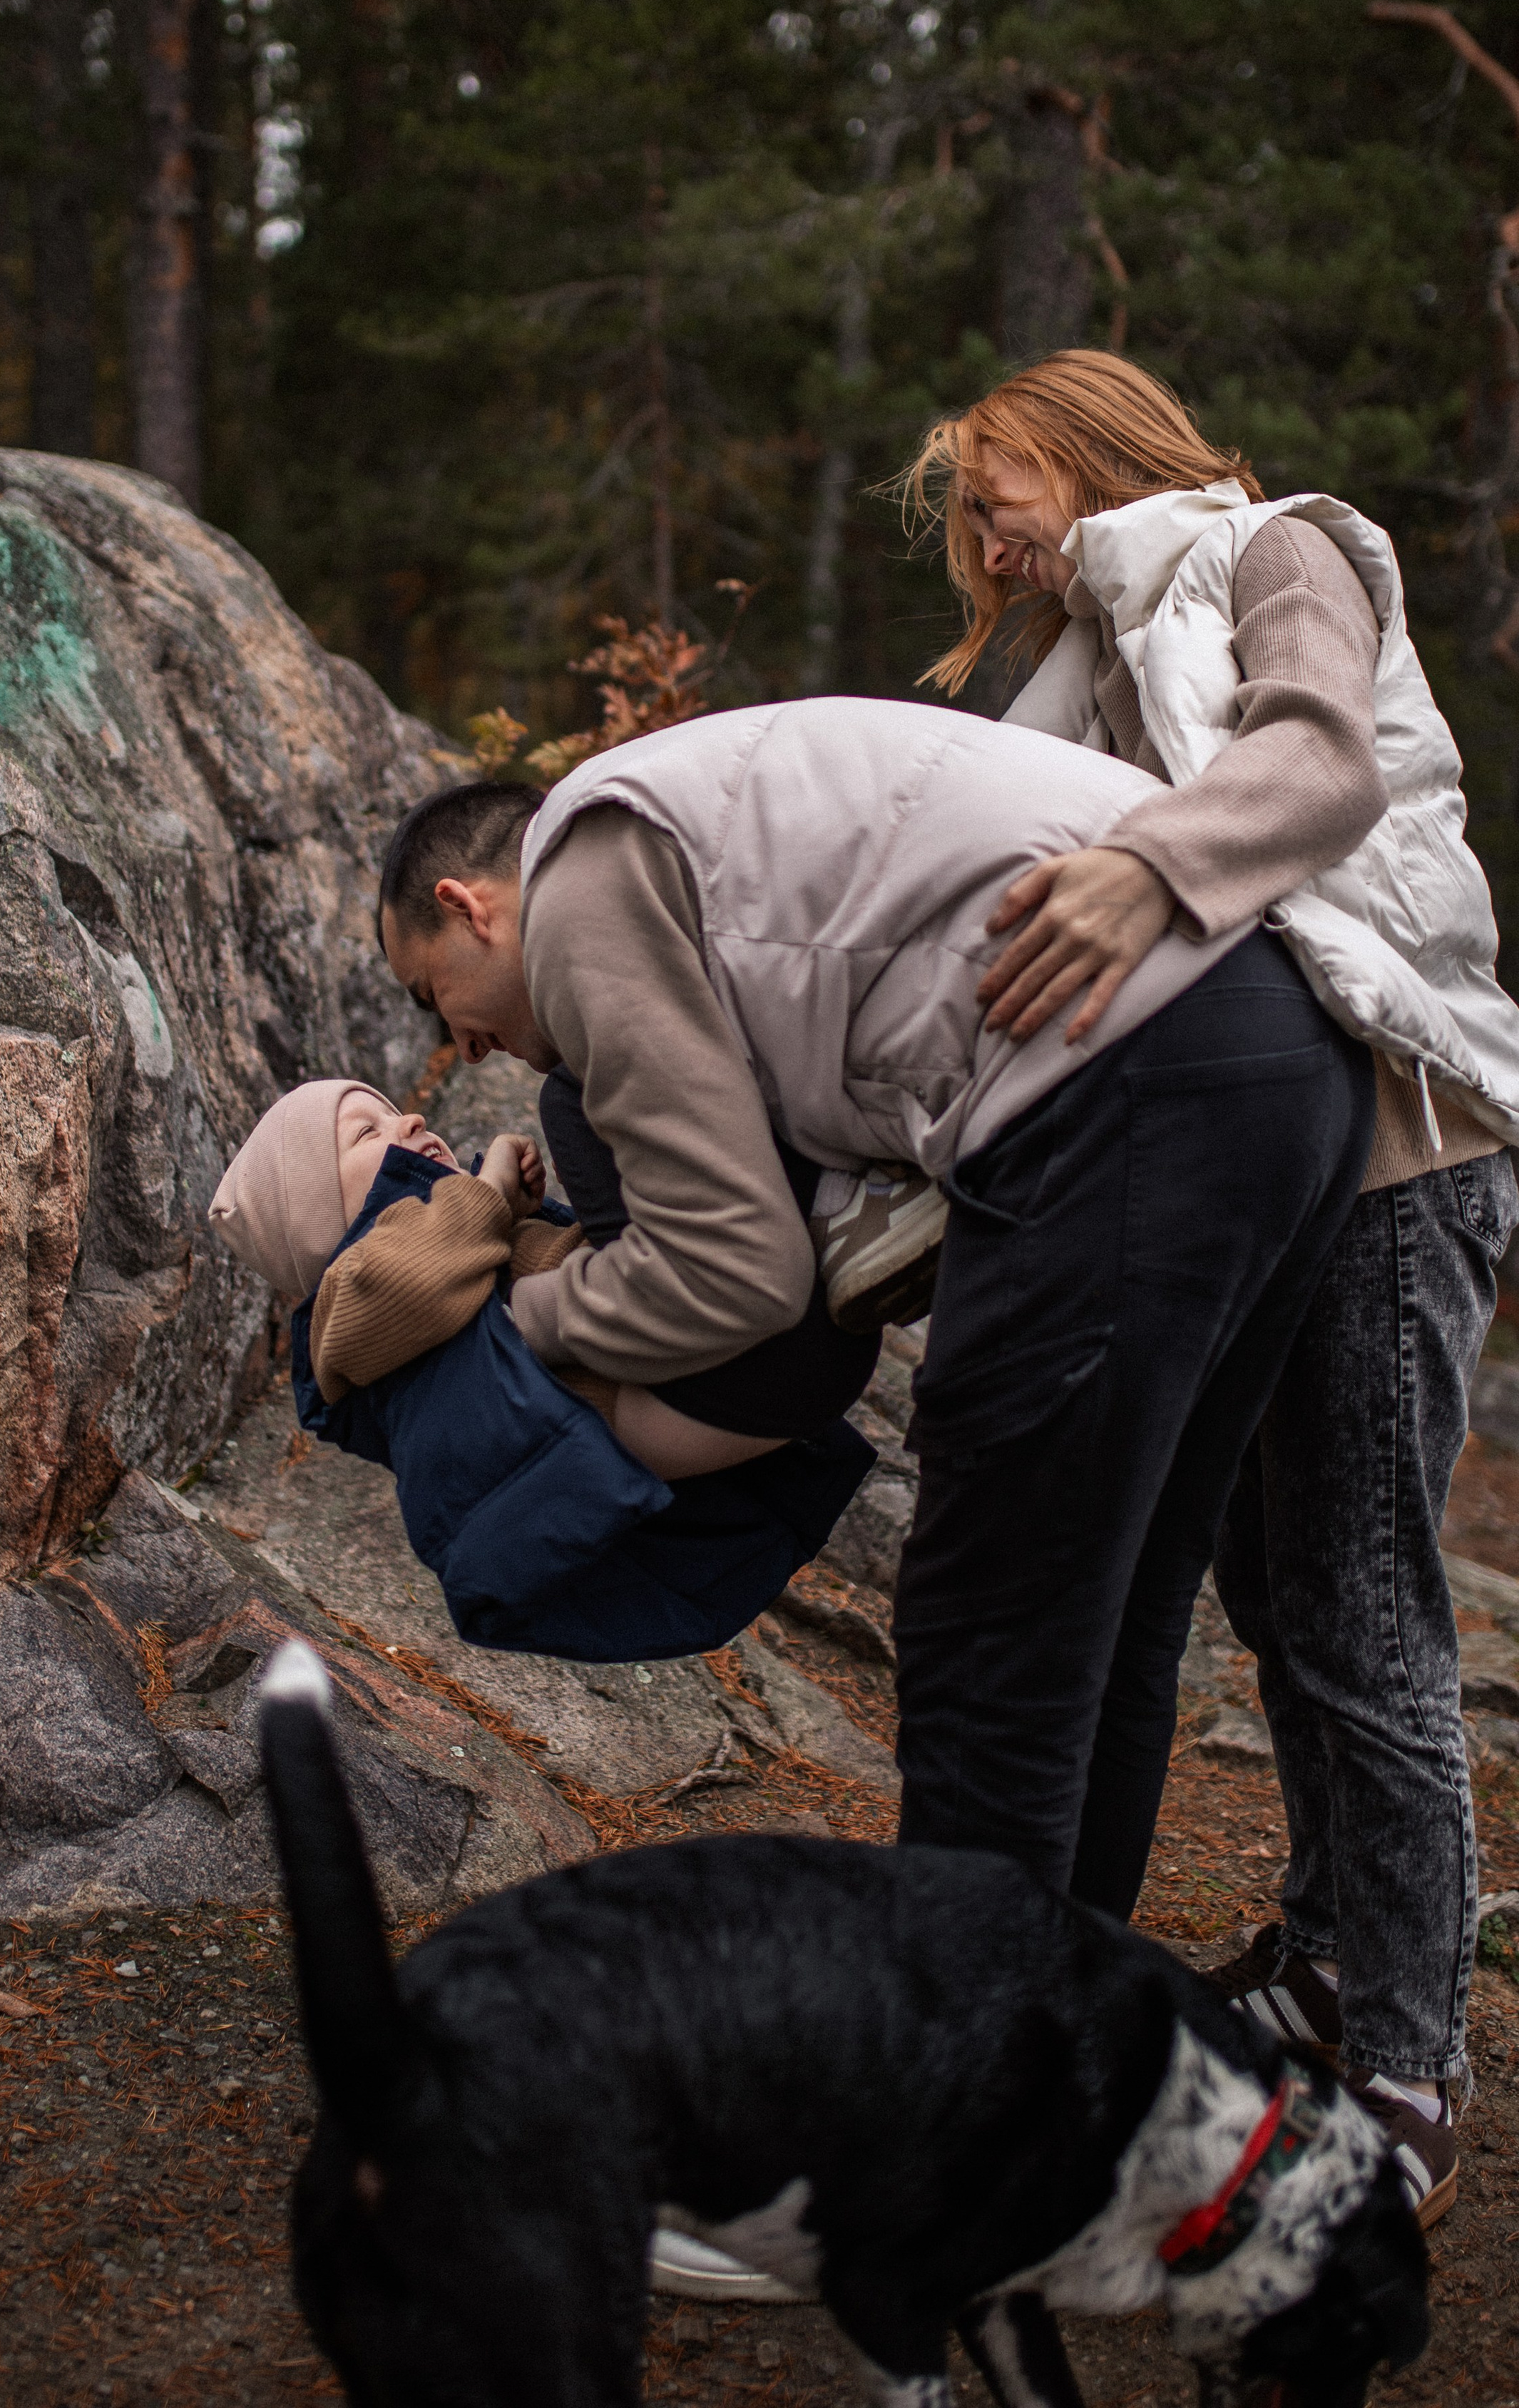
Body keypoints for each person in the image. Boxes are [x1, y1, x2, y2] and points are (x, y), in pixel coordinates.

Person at [376, 717, 1375, 1932]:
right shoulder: (698, 817)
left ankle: (958, 2082)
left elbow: (734, 1273)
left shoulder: (582, 877)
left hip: (1114, 1074)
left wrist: (515, 1322)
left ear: (470, 905)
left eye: (438, 997)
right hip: (1292, 1055)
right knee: (1110, 1613)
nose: (459, 1040)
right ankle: (1059, 2046)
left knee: (985, 1634)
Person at [904, 346, 1519, 2225]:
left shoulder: (1278, 553)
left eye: (991, 478)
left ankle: (1408, 2051)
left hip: (1399, 1134)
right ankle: (1336, 1955)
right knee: (1270, 1581)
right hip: (1239, 1174)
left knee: (1355, 1605)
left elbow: (1316, 765)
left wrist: (1151, 874)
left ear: (1089, 443)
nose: (976, 526)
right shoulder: (1077, 668)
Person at [207, 1076, 876, 1662]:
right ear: (322, 1218)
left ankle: (850, 1210)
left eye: (394, 1111)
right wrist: (492, 1191)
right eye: (366, 1132)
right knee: (580, 1101)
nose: (409, 1121)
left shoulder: (452, 1244)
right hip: (671, 1403)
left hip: (730, 1382)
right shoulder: (347, 1296)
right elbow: (397, 1280)